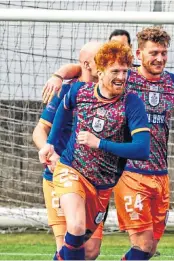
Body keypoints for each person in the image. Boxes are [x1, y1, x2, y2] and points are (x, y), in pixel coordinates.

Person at [38, 41, 151, 260]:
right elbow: (64, 108)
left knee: (86, 248)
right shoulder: (79, 91)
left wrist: (99, 143)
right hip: (71, 170)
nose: (121, 77)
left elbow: (142, 149)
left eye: (125, 71)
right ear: (99, 72)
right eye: (115, 71)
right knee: (76, 227)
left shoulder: (132, 103)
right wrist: (50, 143)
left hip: (101, 184)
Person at [32, 41, 103, 260]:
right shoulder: (66, 91)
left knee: (90, 251)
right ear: (86, 64)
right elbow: (40, 130)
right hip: (60, 176)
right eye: (101, 60)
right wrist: (47, 149)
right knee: (67, 243)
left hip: (94, 180)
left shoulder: (109, 91)